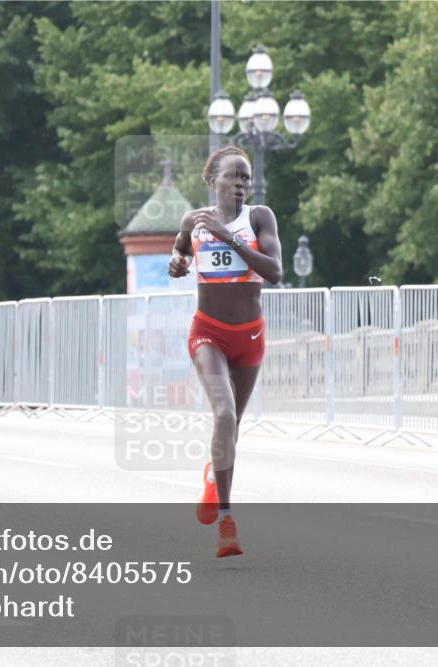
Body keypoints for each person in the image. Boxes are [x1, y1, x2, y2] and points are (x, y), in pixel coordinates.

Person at [167, 146, 283, 558]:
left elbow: (274, 271)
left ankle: (214, 480)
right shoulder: (193, 221)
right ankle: (227, 522)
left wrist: (229, 238)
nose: (240, 184)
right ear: (212, 180)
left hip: (250, 335)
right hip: (208, 334)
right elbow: (180, 249)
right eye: (233, 177)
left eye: (246, 178)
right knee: (224, 414)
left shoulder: (257, 217)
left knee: (232, 430)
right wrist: (177, 261)